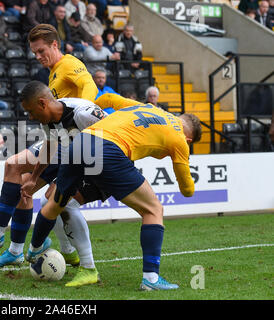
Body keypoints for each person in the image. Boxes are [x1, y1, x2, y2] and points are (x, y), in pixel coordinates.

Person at [0, 24, 103, 286]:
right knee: (21, 181)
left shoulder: (69, 64)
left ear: (55, 45)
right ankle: (15, 250)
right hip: (58, 140)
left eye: (41, 50)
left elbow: (88, 85)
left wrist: (85, 120)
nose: (38, 56)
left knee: (23, 174)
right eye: (34, 52)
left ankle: (1, 237)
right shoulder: (52, 75)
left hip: (73, 142)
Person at [26, 94, 202, 291]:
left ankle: (33, 250)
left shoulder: (149, 108)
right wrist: (181, 157)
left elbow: (108, 98)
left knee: (55, 204)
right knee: (153, 210)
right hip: (109, 150)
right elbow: (187, 190)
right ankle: (151, 279)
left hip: (82, 140)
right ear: (189, 139)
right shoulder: (179, 138)